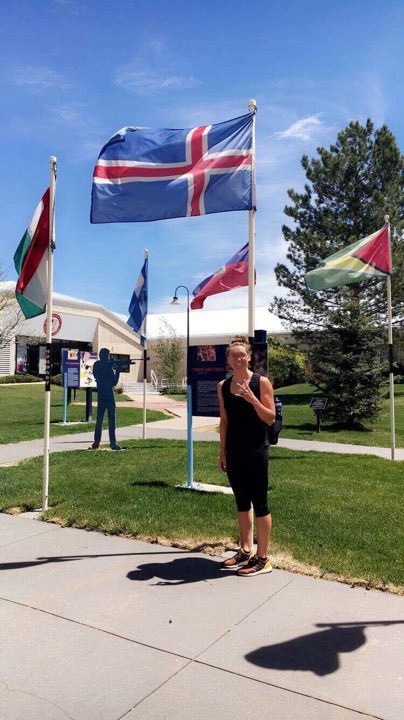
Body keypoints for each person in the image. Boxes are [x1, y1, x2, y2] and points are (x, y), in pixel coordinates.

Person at [218, 336, 275, 576]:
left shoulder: (261, 382)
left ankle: (263, 558)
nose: (238, 359)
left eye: (242, 355)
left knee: (259, 503)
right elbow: (224, 421)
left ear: (249, 357)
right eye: (234, 356)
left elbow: (270, 418)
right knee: (242, 502)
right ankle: (245, 550)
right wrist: (222, 451)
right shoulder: (223, 386)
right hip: (234, 452)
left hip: (256, 451)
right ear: (229, 360)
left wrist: (252, 399)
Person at [90, 348, 122, 451]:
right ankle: (96, 442)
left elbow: (114, 383)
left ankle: (113, 443)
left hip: (110, 396)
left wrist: (117, 371)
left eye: (109, 356)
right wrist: (110, 366)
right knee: (99, 421)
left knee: (112, 421)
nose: (108, 358)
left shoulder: (108, 367)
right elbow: (98, 376)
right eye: (107, 356)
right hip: (102, 396)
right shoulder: (97, 365)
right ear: (101, 356)